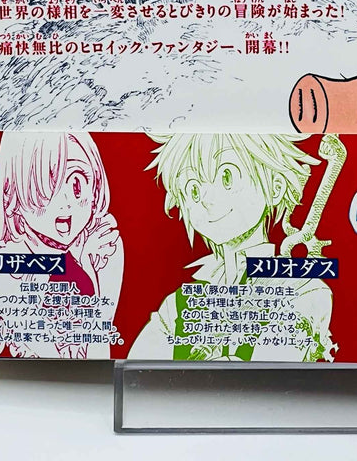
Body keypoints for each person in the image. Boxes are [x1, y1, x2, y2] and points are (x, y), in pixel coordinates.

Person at [130, 133, 335, 362]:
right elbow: (140, 366)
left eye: (226, 177)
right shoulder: (178, 306)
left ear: (275, 188)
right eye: (193, 190)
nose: (206, 199)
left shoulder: (303, 288)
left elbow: (268, 369)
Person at [0, 130, 123, 358]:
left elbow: (99, 351)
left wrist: (86, 268)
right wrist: (79, 267)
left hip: (91, 377)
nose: (65, 203)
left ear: (96, 186)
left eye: (77, 184)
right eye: (46, 187)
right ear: (12, 195)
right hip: (25, 377)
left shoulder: (104, 247)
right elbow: (47, 352)